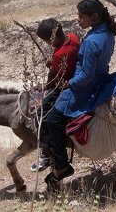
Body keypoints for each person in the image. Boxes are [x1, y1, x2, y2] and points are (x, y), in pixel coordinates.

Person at [44, 0, 116, 184]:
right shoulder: (106, 33)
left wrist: (68, 84)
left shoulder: (91, 41)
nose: (78, 20)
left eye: (81, 16)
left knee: (52, 120)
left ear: (94, 17)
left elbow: (86, 75)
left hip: (85, 86)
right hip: (102, 78)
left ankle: (61, 165)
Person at [30, 18, 80, 172]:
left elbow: (55, 80)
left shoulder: (60, 53)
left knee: (40, 115)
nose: (47, 43)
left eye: (46, 41)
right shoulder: (73, 37)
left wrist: (45, 85)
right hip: (70, 76)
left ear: (52, 38)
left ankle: (47, 153)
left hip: (65, 86)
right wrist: (53, 62)